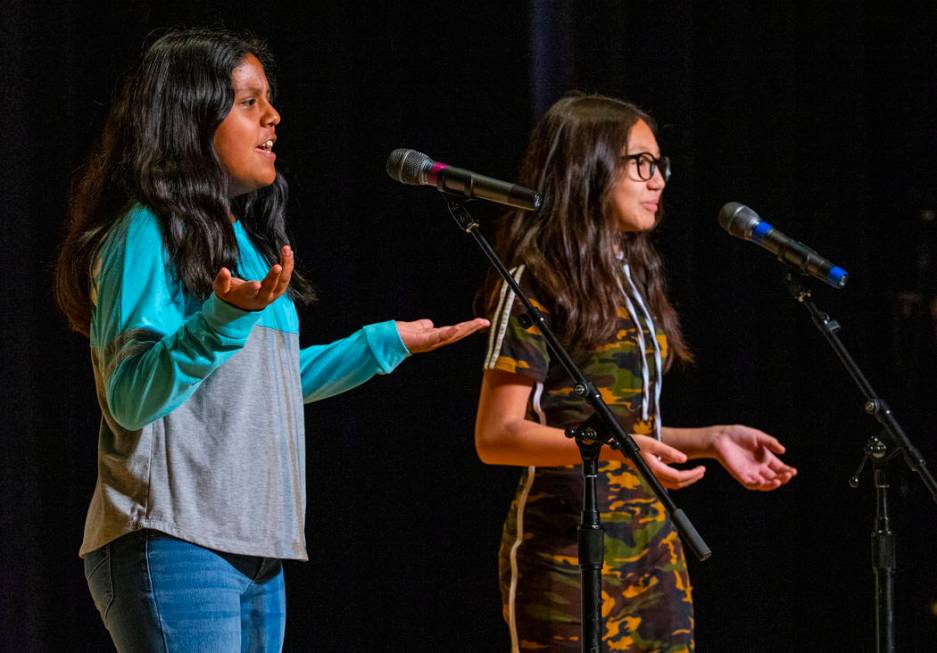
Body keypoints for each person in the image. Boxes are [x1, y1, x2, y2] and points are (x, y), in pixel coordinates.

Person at [54, 28, 487, 652]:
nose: (273, 117)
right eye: (249, 101)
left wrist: (381, 343)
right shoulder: (148, 230)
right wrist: (217, 322)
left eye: (269, 100)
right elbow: (128, 396)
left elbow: (268, 385)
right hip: (174, 539)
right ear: (189, 119)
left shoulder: (251, 247)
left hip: (257, 547)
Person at [475, 94, 797, 652]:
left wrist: (710, 440)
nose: (658, 181)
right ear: (589, 167)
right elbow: (497, 436)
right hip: (570, 553)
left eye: (660, 166)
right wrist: (619, 447)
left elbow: (630, 428)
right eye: (641, 164)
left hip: (653, 547)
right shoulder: (537, 283)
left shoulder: (635, 276)